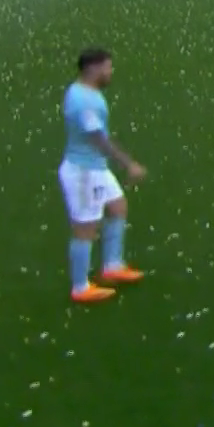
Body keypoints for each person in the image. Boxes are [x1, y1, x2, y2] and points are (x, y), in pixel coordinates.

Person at [60, 48, 147, 304]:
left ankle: (112, 265)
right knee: (85, 228)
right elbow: (98, 139)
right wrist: (129, 164)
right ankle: (80, 288)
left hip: (95, 168)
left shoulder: (85, 92)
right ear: (93, 69)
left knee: (117, 207)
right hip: (84, 173)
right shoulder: (84, 102)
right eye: (107, 67)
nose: (110, 72)